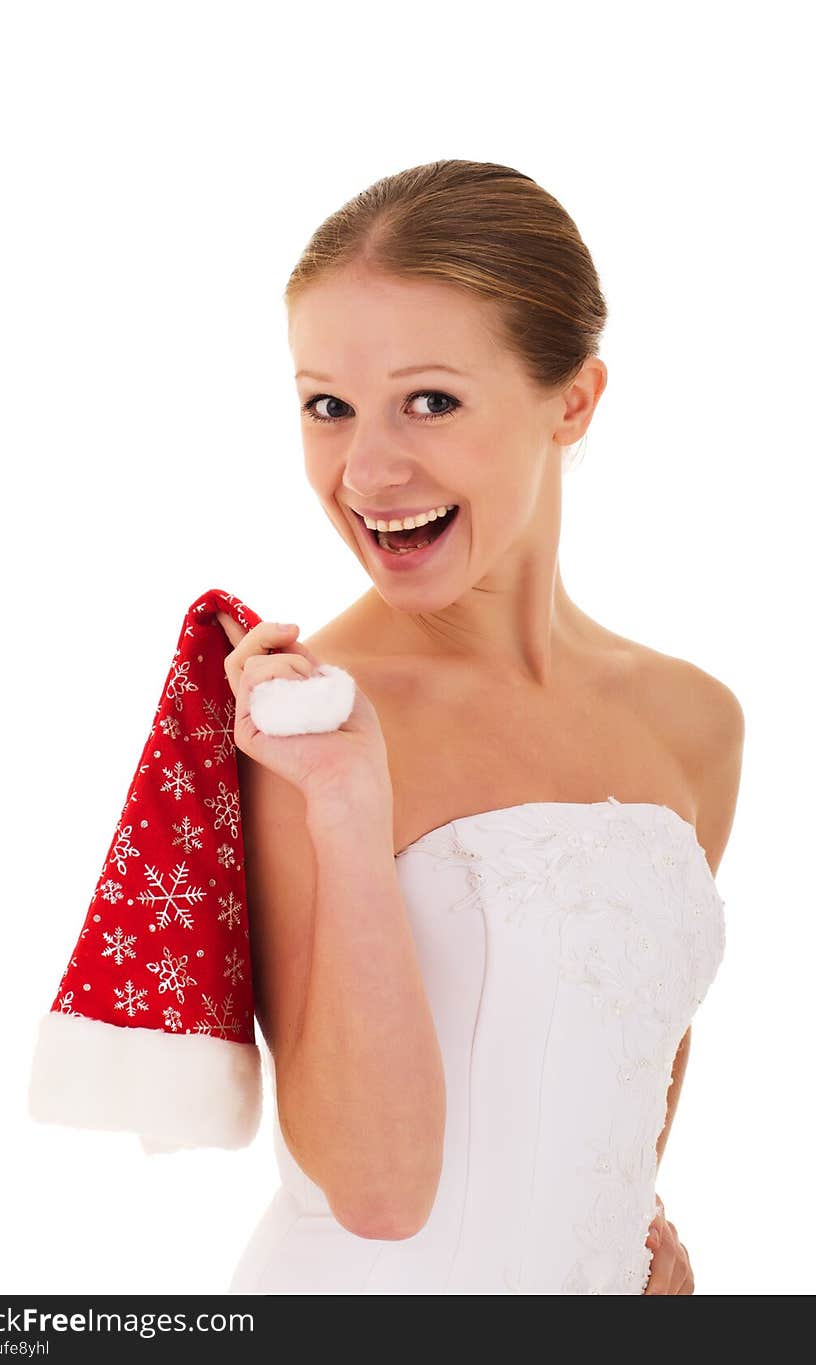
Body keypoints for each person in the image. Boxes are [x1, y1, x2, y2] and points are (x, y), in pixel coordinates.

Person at [217, 159, 743, 1295]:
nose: (367, 469)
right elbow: (375, 1192)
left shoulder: (693, 722)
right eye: (327, 406)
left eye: (432, 400)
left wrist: (635, 1257)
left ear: (574, 399)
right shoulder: (299, 727)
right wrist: (350, 809)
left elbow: (630, 1063)